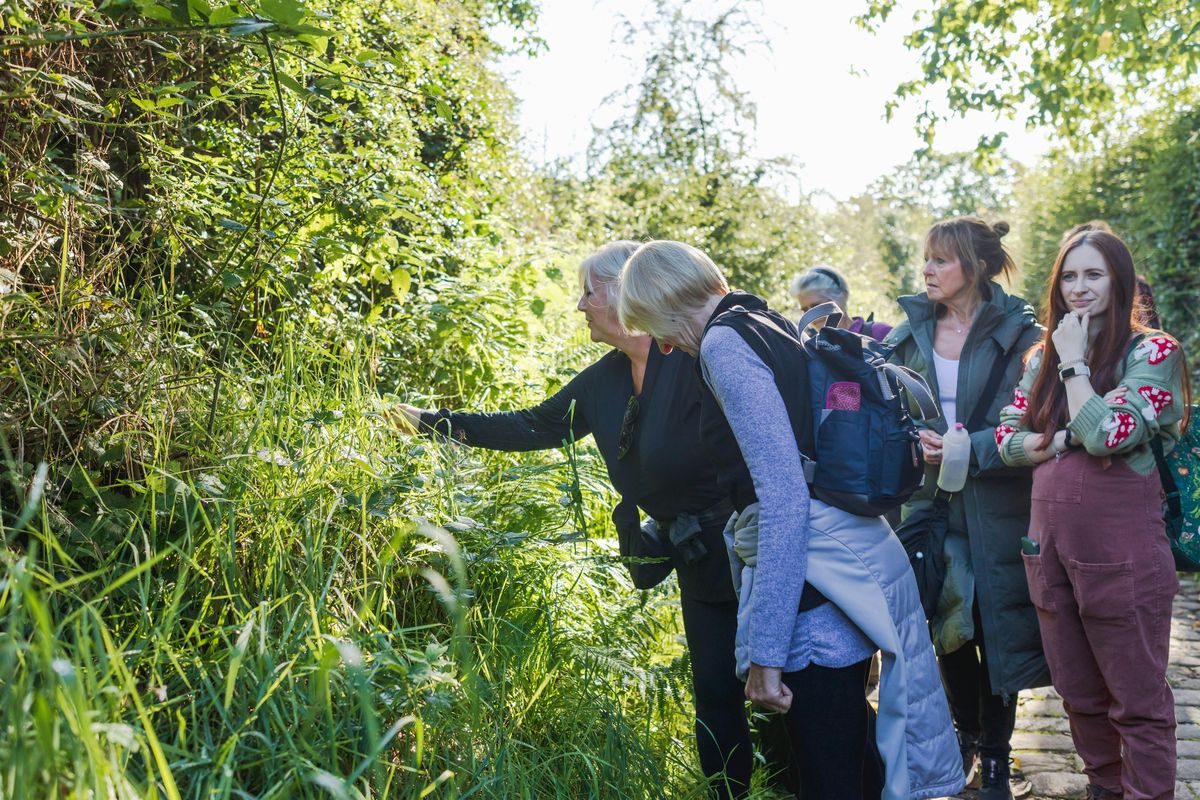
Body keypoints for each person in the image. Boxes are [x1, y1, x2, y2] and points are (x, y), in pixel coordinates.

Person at [389, 241, 756, 798]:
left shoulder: (693, 355)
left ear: (626, 291)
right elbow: (535, 426)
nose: (580, 306)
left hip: (749, 545)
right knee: (714, 687)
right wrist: (431, 423)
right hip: (695, 558)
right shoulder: (605, 380)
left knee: (780, 676)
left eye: (589, 291)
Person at [618, 239, 964, 800]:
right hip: (838, 578)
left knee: (830, 779)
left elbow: (781, 500)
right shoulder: (761, 318)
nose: (661, 344)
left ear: (667, 302)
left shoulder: (724, 347)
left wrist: (766, 655)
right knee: (856, 766)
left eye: (655, 326)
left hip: (811, 607)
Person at [997, 229, 1189, 800]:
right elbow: (1008, 437)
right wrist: (1058, 442)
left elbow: (1107, 433)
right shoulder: (1040, 357)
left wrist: (1076, 366)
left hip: (1123, 554)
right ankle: (1104, 790)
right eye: (1070, 276)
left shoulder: (1153, 352)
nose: (1079, 288)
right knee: (1077, 694)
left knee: (1138, 700)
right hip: (1049, 550)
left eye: (1094, 275)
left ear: (1120, 281)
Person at [885, 217, 1050, 799]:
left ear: (975, 268)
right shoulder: (905, 336)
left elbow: (1036, 420)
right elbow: (887, 412)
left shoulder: (1022, 337)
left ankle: (999, 756)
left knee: (995, 626)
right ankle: (969, 737)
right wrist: (912, 443)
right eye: (925, 259)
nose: (927, 270)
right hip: (930, 505)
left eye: (940, 260)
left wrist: (964, 447)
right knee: (946, 621)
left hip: (1000, 502)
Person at [789, 265, 893, 339]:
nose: (812, 316)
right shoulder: (814, 350)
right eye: (805, 310)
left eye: (817, 307)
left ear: (840, 299)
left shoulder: (880, 333)